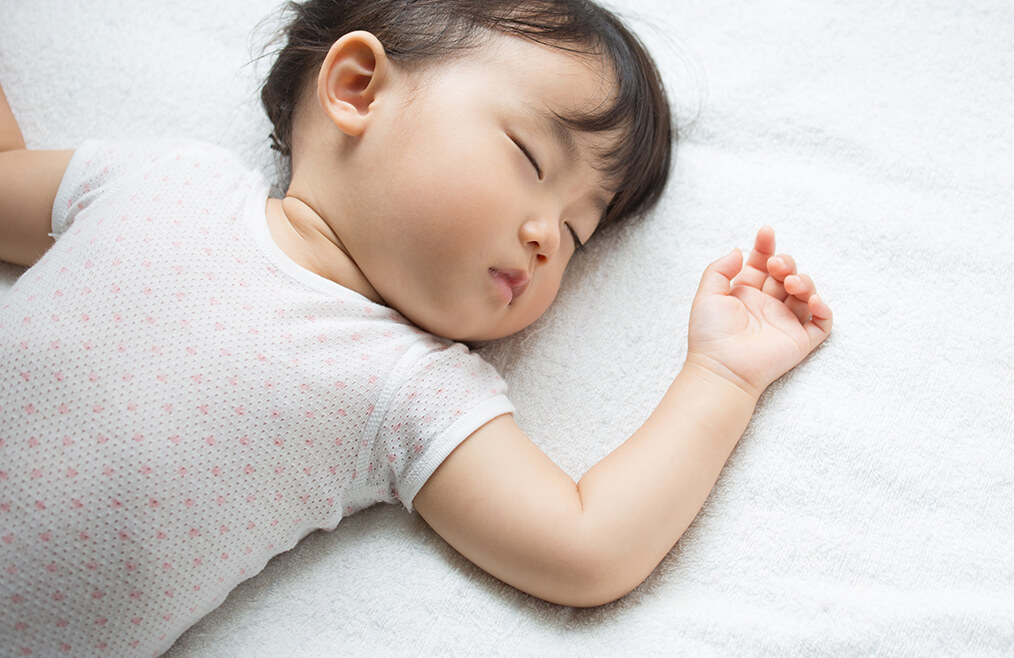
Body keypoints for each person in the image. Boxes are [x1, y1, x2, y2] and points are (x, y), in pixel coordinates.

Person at [0, 0, 832, 654]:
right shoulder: (167, 180)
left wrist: (722, 376)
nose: (548, 238)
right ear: (358, 88)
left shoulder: (407, 386)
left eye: (577, 234)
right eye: (531, 160)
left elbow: (588, 545)